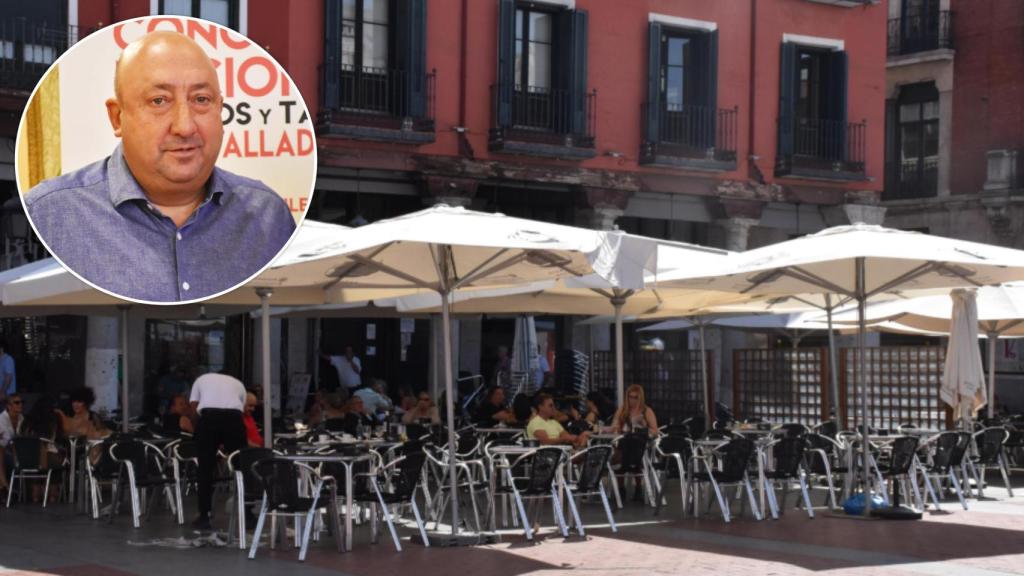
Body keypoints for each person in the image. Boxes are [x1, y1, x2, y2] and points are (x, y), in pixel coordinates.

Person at [22, 31, 295, 302]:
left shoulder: (269, 217)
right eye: (159, 101)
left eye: (201, 100)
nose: (185, 127)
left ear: (220, 110)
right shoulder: (48, 215)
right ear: (117, 117)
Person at [189, 370, 247, 530]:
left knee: (205, 469)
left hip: (209, 418)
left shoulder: (201, 379)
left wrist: (198, 430)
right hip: (234, 419)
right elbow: (243, 410)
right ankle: (247, 513)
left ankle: (204, 515)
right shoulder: (238, 384)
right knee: (241, 465)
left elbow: (193, 408)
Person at [23, 395, 65, 502]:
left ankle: (35, 492)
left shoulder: (27, 421)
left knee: (38, 460)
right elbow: (59, 438)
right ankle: (52, 493)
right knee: (58, 462)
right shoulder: (54, 420)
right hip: (48, 459)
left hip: (25, 459)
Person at [0, 393, 25, 492]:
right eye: (17, 402)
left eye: (22, 402)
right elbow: (6, 441)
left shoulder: (21, 418)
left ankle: (4, 488)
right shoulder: (1, 419)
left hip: (18, 453)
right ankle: (4, 486)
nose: (20, 405)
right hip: (7, 452)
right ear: (8, 406)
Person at [0, 339, 15, 405]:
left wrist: (3, 392)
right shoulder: (1, 359)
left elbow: (8, 377)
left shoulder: (7, 359)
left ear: (1, 348)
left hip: (7, 395)